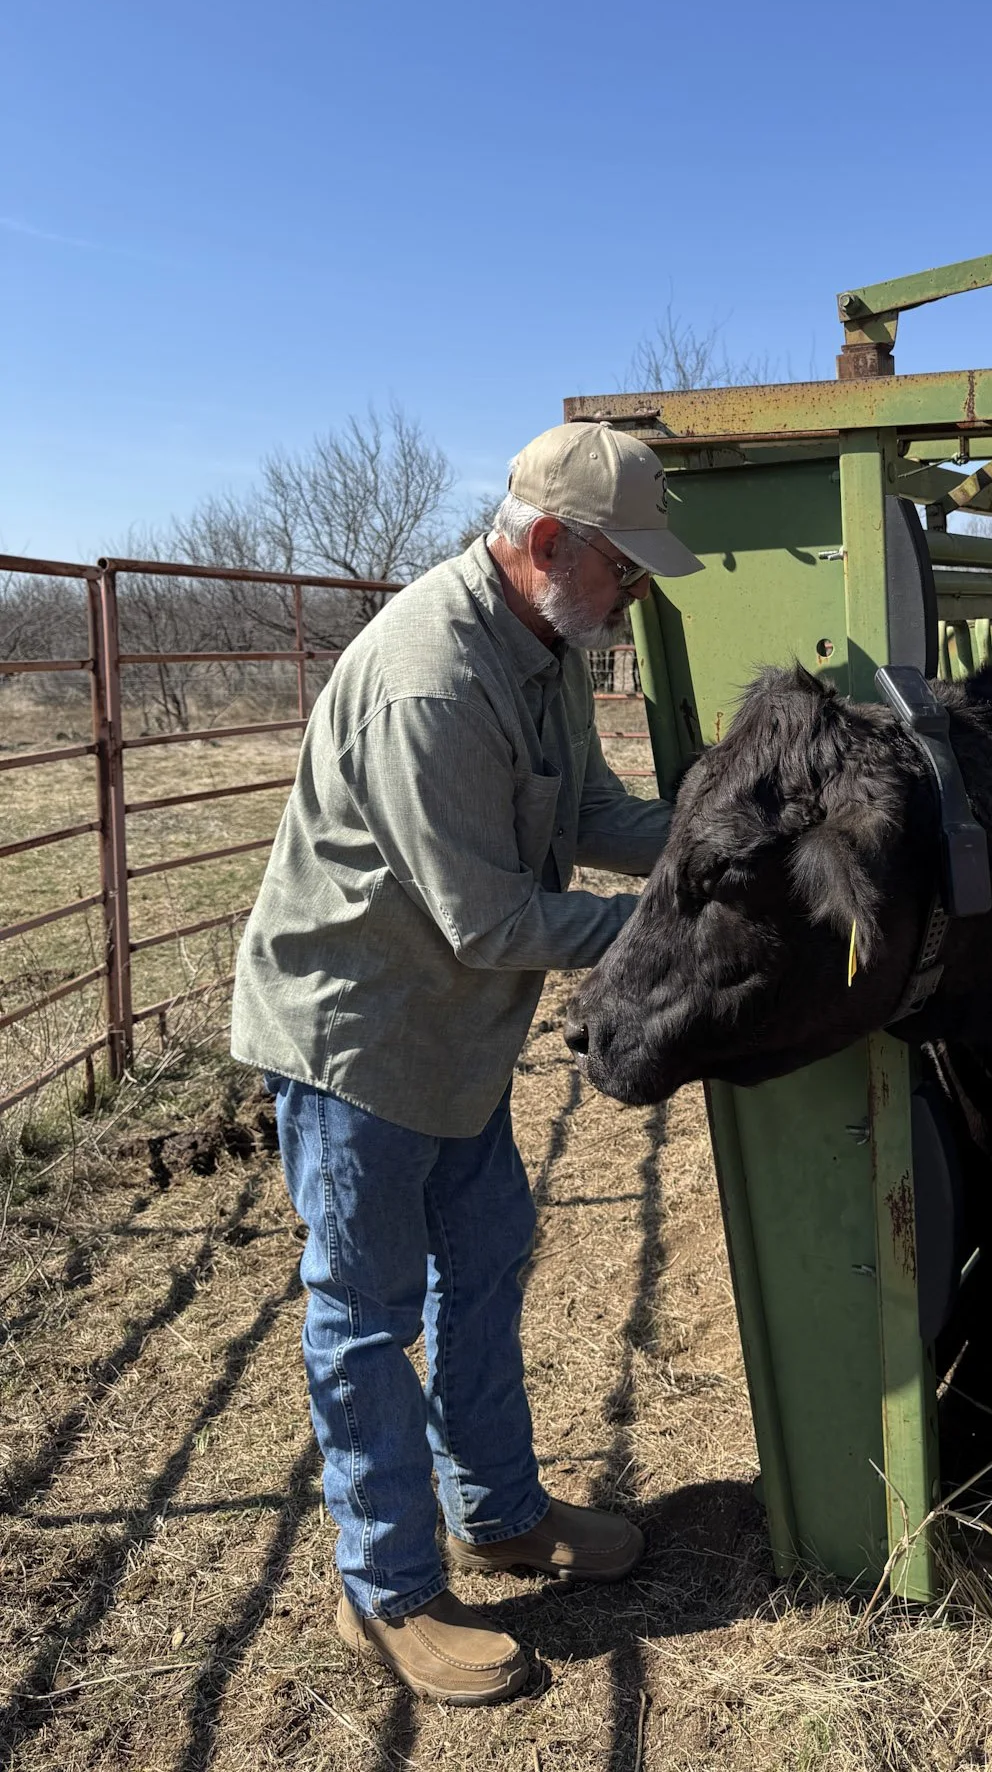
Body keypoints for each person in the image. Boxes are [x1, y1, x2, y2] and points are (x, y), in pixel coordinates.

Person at [232, 420, 701, 1705]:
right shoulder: (432, 675)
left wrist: (717, 850)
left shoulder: (544, 642)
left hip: (453, 1030)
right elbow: (488, 916)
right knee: (368, 1316)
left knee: (484, 1262)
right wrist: (676, 928)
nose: (634, 592)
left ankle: (496, 1511)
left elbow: (591, 813)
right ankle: (384, 1591)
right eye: (623, 567)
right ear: (547, 541)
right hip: (361, 1034)